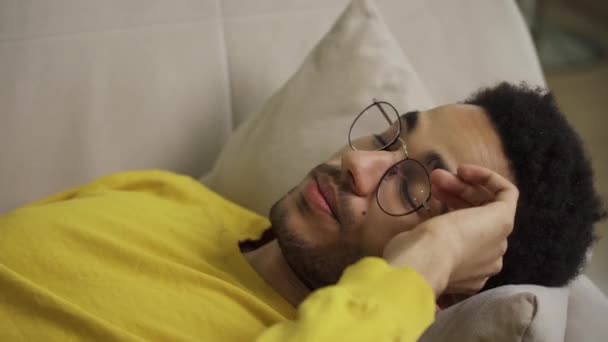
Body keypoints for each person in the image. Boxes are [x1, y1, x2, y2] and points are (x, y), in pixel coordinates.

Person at [0, 82, 604, 341]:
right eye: (389, 137)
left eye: (411, 187)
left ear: (451, 285)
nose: (356, 162)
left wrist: (429, 262)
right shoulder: (171, 193)